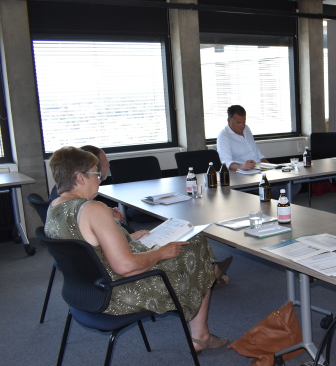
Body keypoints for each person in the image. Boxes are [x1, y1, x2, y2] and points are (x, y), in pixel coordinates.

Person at [45, 146, 232, 352]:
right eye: (96, 174)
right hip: (119, 292)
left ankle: (203, 318)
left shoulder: (54, 207)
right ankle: (201, 335)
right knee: (195, 248)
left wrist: (129, 237)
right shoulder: (93, 209)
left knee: (189, 245)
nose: (100, 179)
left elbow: (89, 249)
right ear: (80, 178)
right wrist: (162, 252)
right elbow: (126, 266)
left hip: (87, 290)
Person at [217, 104, 270, 171]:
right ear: (229, 121)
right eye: (238, 123)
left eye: (244, 121)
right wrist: (242, 166)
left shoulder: (246, 129)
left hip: (258, 169)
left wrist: (272, 168)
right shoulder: (223, 136)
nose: (242, 125)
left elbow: (258, 154)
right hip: (241, 173)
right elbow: (226, 162)